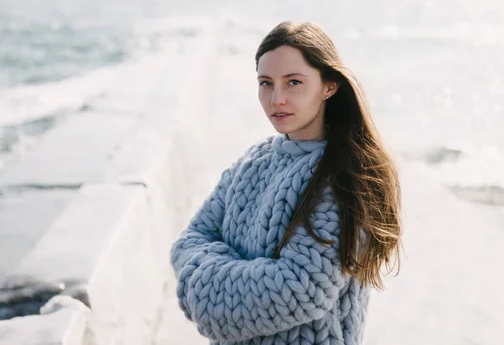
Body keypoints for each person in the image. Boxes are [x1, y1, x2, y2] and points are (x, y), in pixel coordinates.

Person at [170, 21, 403, 344]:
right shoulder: (252, 161)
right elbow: (189, 240)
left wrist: (204, 287)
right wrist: (223, 282)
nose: (276, 98)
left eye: (293, 82)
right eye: (266, 83)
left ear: (329, 86)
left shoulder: (346, 176)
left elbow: (299, 289)